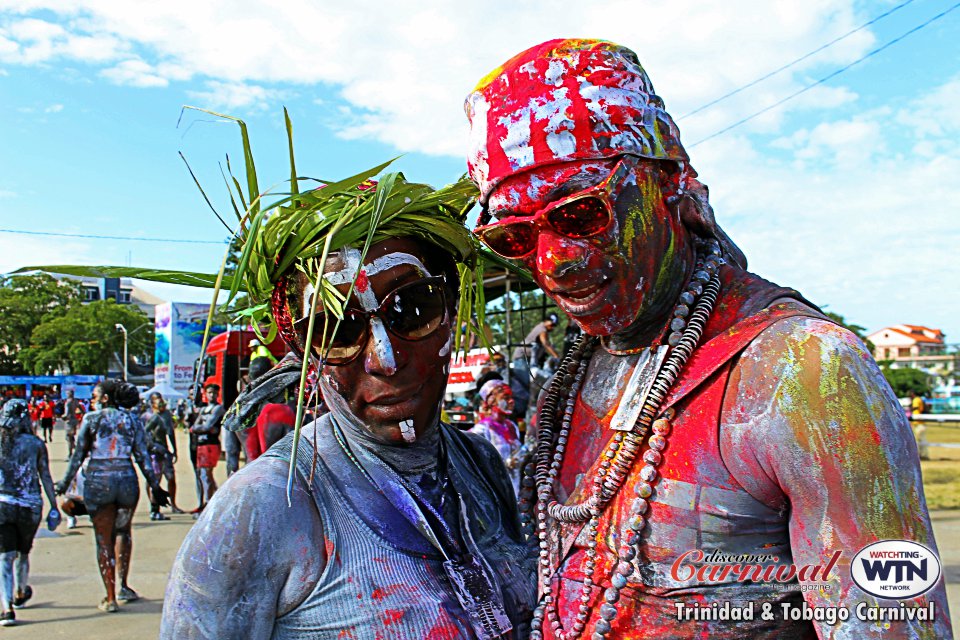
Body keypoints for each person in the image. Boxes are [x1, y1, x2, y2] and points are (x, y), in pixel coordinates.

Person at [466, 39, 951, 638]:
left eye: (580, 215)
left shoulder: (805, 373)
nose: (553, 261)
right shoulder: (564, 393)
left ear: (668, 182)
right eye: (515, 238)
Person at [161, 141, 534, 638]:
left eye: (412, 309)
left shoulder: (481, 465)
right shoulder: (262, 512)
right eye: (338, 330)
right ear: (305, 354)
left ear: (451, 310)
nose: (385, 357)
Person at [55, 380, 168, 612]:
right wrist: (155, 486)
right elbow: (142, 456)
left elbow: (78, 455)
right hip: (126, 481)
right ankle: (124, 586)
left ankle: (110, 597)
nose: (93, 400)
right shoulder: (132, 420)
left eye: (96, 396)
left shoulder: (91, 419)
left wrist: (63, 483)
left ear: (105, 398)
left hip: (99, 481)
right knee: (123, 532)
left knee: (103, 539)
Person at [0, 400, 58, 626]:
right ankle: (21, 591)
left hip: (2, 504)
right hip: (30, 506)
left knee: (5, 556)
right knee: (23, 553)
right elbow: (45, 476)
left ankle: (7, 609)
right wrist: (54, 506)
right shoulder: (35, 444)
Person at [470, 380, 522, 493]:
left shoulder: (512, 426)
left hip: (515, 491)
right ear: (491, 400)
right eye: (506, 397)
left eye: (511, 397)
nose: (512, 401)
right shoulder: (483, 428)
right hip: (495, 492)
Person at [144, 395, 183, 518]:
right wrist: (151, 446)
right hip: (155, 452)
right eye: (158, 404)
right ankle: (154, 507)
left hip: (165, 451)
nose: (161, 406)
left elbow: (170, 433)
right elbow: (144, 433)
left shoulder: (166, 415)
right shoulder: (150, 416)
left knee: (171, 478)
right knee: (155, 480)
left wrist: (174, 449)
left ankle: (173, 504)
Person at [189, 382, 223, 512]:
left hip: (211, 444)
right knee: (204, 474)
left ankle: (209, 503)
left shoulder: (218, 408)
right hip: (201, 444)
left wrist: (199, 428)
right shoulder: (204, 409)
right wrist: (199, 428)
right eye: (209, 393)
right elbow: (196, 426)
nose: (212, 395)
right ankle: (214, 501)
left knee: (205, 474)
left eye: (214, 393)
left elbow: (207, 426)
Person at [62, 390, 81, 461]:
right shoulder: (76, 401)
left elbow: (66, 414)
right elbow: (82, 409)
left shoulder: (68, 402)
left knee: (69, 438)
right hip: (74, 420)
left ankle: (70, 454)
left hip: (69, 421)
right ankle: (76, 451)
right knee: (72, 437)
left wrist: (62, 417)